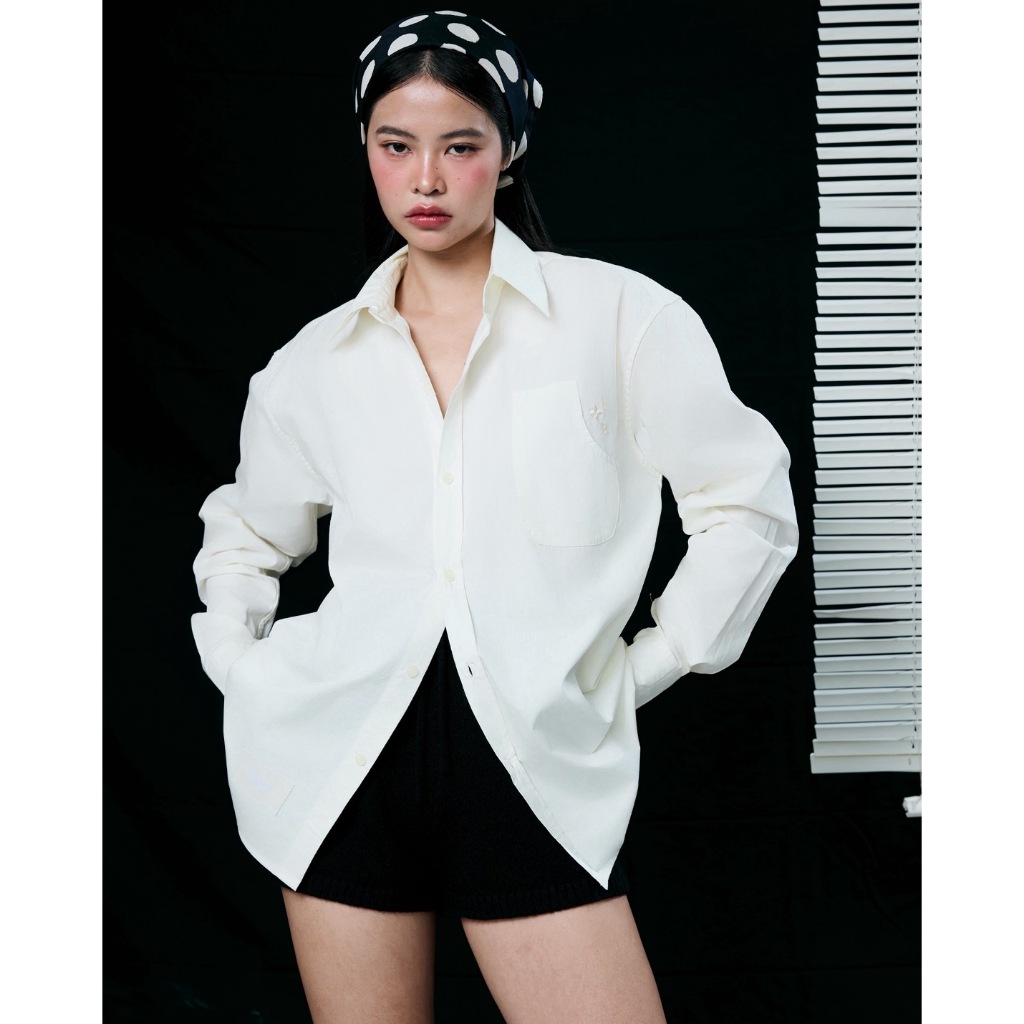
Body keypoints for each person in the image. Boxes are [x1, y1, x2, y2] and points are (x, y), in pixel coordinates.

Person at [191, 10, 798, 1022]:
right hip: (340, 765)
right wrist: (237, 659)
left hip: (533, 765)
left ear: (508, 149)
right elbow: (247, 536)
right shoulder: (313, 362)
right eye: (396, 146)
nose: (425, 179)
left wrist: (647, 664)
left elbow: (746, 502)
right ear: (366, 151)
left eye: (460, 146)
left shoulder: (619, 317)